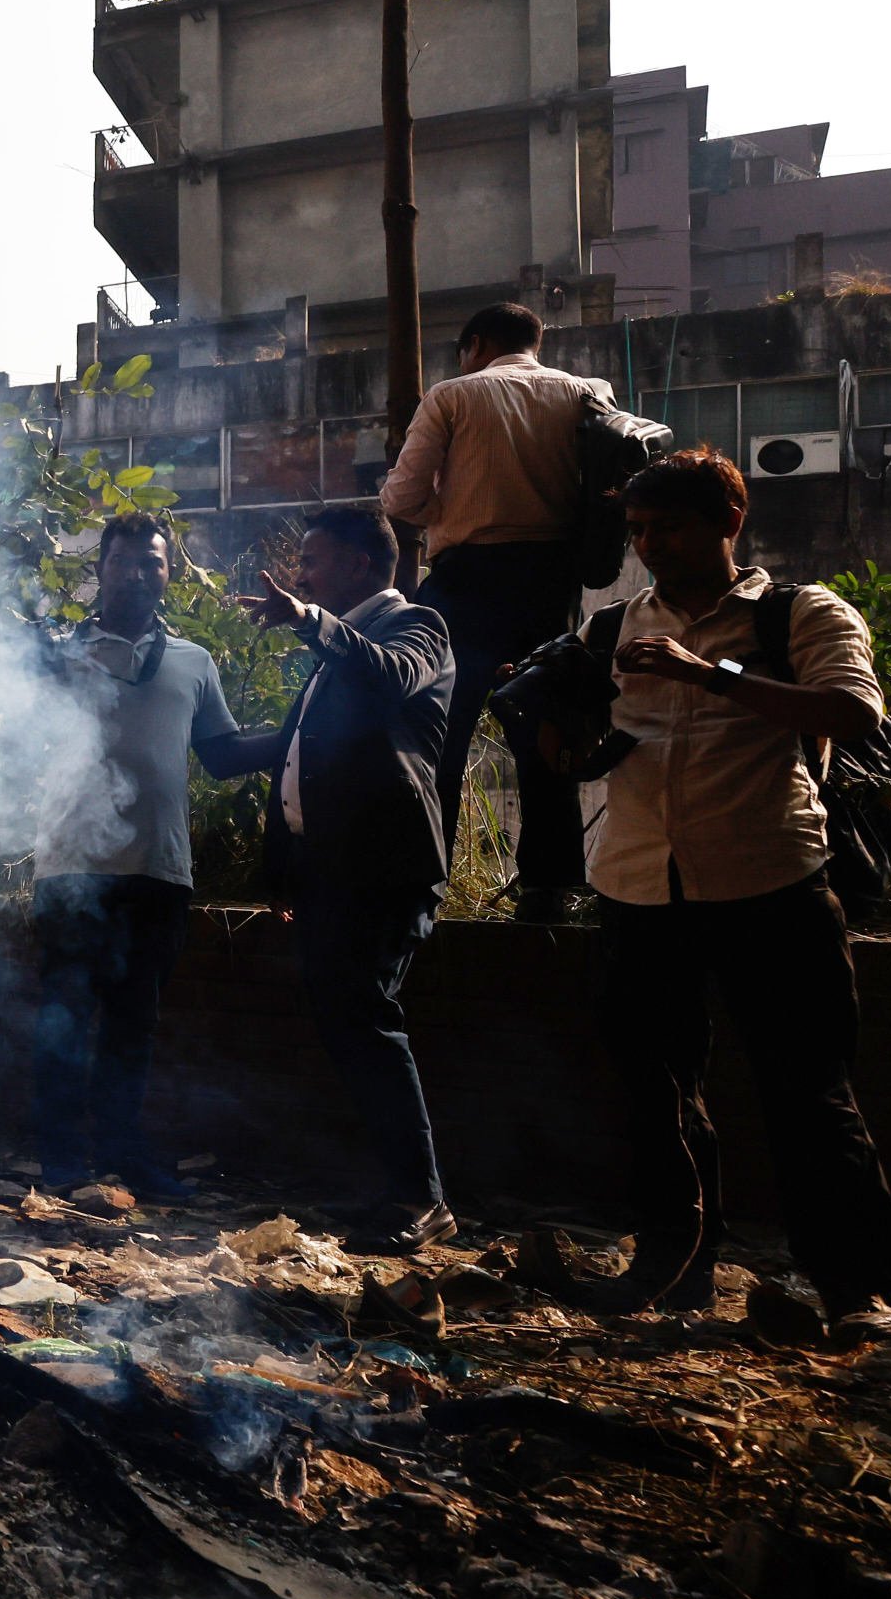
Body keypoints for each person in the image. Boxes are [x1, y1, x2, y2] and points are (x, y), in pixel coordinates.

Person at [563, 447, 891, 1336]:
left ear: (728, 523)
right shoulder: (608, 630)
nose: (650, 548)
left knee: (806, 1092)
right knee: (654, 1094)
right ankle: (670, 1273)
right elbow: (565, 733)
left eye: (667, 528)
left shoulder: (799, 612)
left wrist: (709, 674)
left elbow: (853, 713)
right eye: (638, 532)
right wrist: (554, 738)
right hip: (637, 888)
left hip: (770, 884)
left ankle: (854, 1291)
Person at [215, 505, 456, 1249]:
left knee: (367, 1019)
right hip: (329, 878)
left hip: (383, 870)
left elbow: (390, 678)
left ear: (359, 564)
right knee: (349, 1026)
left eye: (311, 561)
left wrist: (311, 618)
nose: (299, 575)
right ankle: (396, 1190)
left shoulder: (416, 628)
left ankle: (423, 1199)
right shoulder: (337, 653)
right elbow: (293, 753)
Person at [382, 302, 611, 922]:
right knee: (545, 736)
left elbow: (401, 498)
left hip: (468, 583)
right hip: (551, 585)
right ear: (535, 343)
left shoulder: (453, 395)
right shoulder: (587, 394)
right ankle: (549, 891)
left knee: (440, 738)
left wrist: (452, 511)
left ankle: (427, 889)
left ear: (474, 344)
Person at [32, 514, 239, 1198]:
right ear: (101, 570)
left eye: (152, 563)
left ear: (168, 572)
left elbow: (222, 756)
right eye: (124, 562)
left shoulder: (195, 661)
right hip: (70, 867)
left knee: (133, 1026)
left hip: (159, 871)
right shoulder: (57, 651)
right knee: (63, 1018)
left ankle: (123, 1154)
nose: (138, 574)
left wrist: (306, 725)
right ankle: (61, 1160)